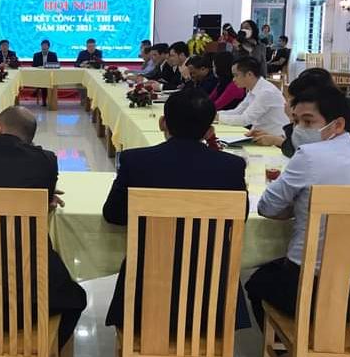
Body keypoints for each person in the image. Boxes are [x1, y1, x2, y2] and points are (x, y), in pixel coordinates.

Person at [103, 88, 249, 331]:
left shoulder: (136, 161)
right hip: (211, 299)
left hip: (144, 293)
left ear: (162, 123)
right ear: (209, 131)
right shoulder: (231, 166)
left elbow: (113, 215)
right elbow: (238, 219)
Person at [245, 86, 350, 329]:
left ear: (338, 124)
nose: (300, 129)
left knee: (257, 283)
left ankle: (293, 346)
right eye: (296, 121)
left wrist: (294, 208)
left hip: (308, 289)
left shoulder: (309, 156)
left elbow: (267, 207)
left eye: (308, 122)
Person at [0, 106, 87, 348]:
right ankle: (44, 355)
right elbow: (37, 192)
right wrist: (44, 197)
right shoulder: (45, 161)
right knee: (76, 298)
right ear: (29, 138)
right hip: (28, 298)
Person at [247, 68, 335, 157]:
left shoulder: (324, 122)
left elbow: (300, 151)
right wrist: (274, 138)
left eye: (292, 100)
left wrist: (277, 139)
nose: (286, 103)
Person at [218, 56, 289, 136]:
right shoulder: (254, 89)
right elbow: (238, 111)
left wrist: (217, 117)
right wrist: (214, 114)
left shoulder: (266, 92)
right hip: (260, 135)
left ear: (249, 74)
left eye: (236, 75)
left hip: (274, 138)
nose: (233, 79)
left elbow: (245, 120)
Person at [32, 40, 59, 107]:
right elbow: (33, 66)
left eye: (45, 46)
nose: (44, 48)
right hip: (39, 75)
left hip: (50, 75)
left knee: (47, 82)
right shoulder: (36, 55)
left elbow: (56, 65)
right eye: (42, 46)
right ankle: (44, 100)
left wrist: (46, 66)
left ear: (48, 47)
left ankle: (49, 100)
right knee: (44, 82)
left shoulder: (53, 55)